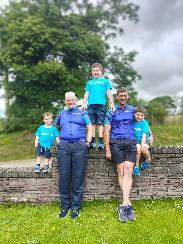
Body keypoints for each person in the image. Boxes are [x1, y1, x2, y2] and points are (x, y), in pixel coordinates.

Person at [56, 92, 92, 219]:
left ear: (76, 100)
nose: (70, 102)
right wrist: (58, 141)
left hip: (79, 147)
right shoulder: (61, 114)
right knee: (64, 177)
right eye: (68, 100)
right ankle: (65, 206)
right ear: (65, 101)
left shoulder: (83, 113)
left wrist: (87, 142)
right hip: (64, 147)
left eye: (72, 100)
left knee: (78, 177)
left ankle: (75, 208)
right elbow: (54, 128)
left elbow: (90, 127)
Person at [104, 87, 136, 222]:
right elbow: (106, 131)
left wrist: (147, 140)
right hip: (116, 143)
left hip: (130, 143)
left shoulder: (133, 110)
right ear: (116, 97)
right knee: (121, 171)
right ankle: (127, 205)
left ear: (127, 97)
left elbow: (143, 123)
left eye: (125, 96)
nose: (123, 98)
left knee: (129, 170)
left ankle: (124, 205)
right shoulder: (111, 111)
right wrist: (107, 149)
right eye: (121, 96)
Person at [82, 63, 115, 150]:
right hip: (91, 105)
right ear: (91, 72)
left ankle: (100, 141)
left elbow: (108, 92)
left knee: (100, 123)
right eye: (93, 71)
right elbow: (87, 93)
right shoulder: (89, 82)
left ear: (101, 72)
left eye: (97, 70)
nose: (95, 72)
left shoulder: (105, 81)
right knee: (92, 123)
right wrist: (84, 103)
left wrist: (111, 102)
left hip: (101, 105)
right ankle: (92, 140)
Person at [133, 106, 153, 176]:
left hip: (145, 140)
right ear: (134, 114)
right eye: (137, 115)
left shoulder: (144, 122)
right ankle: (136, 166)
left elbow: (144, 134)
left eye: (141, 115)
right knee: (138, 149)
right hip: (136, 140)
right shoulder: (132, 122)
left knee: (143, 149)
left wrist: (143, 144)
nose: (139, 117)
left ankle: (148, 159)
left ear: (144, 116)